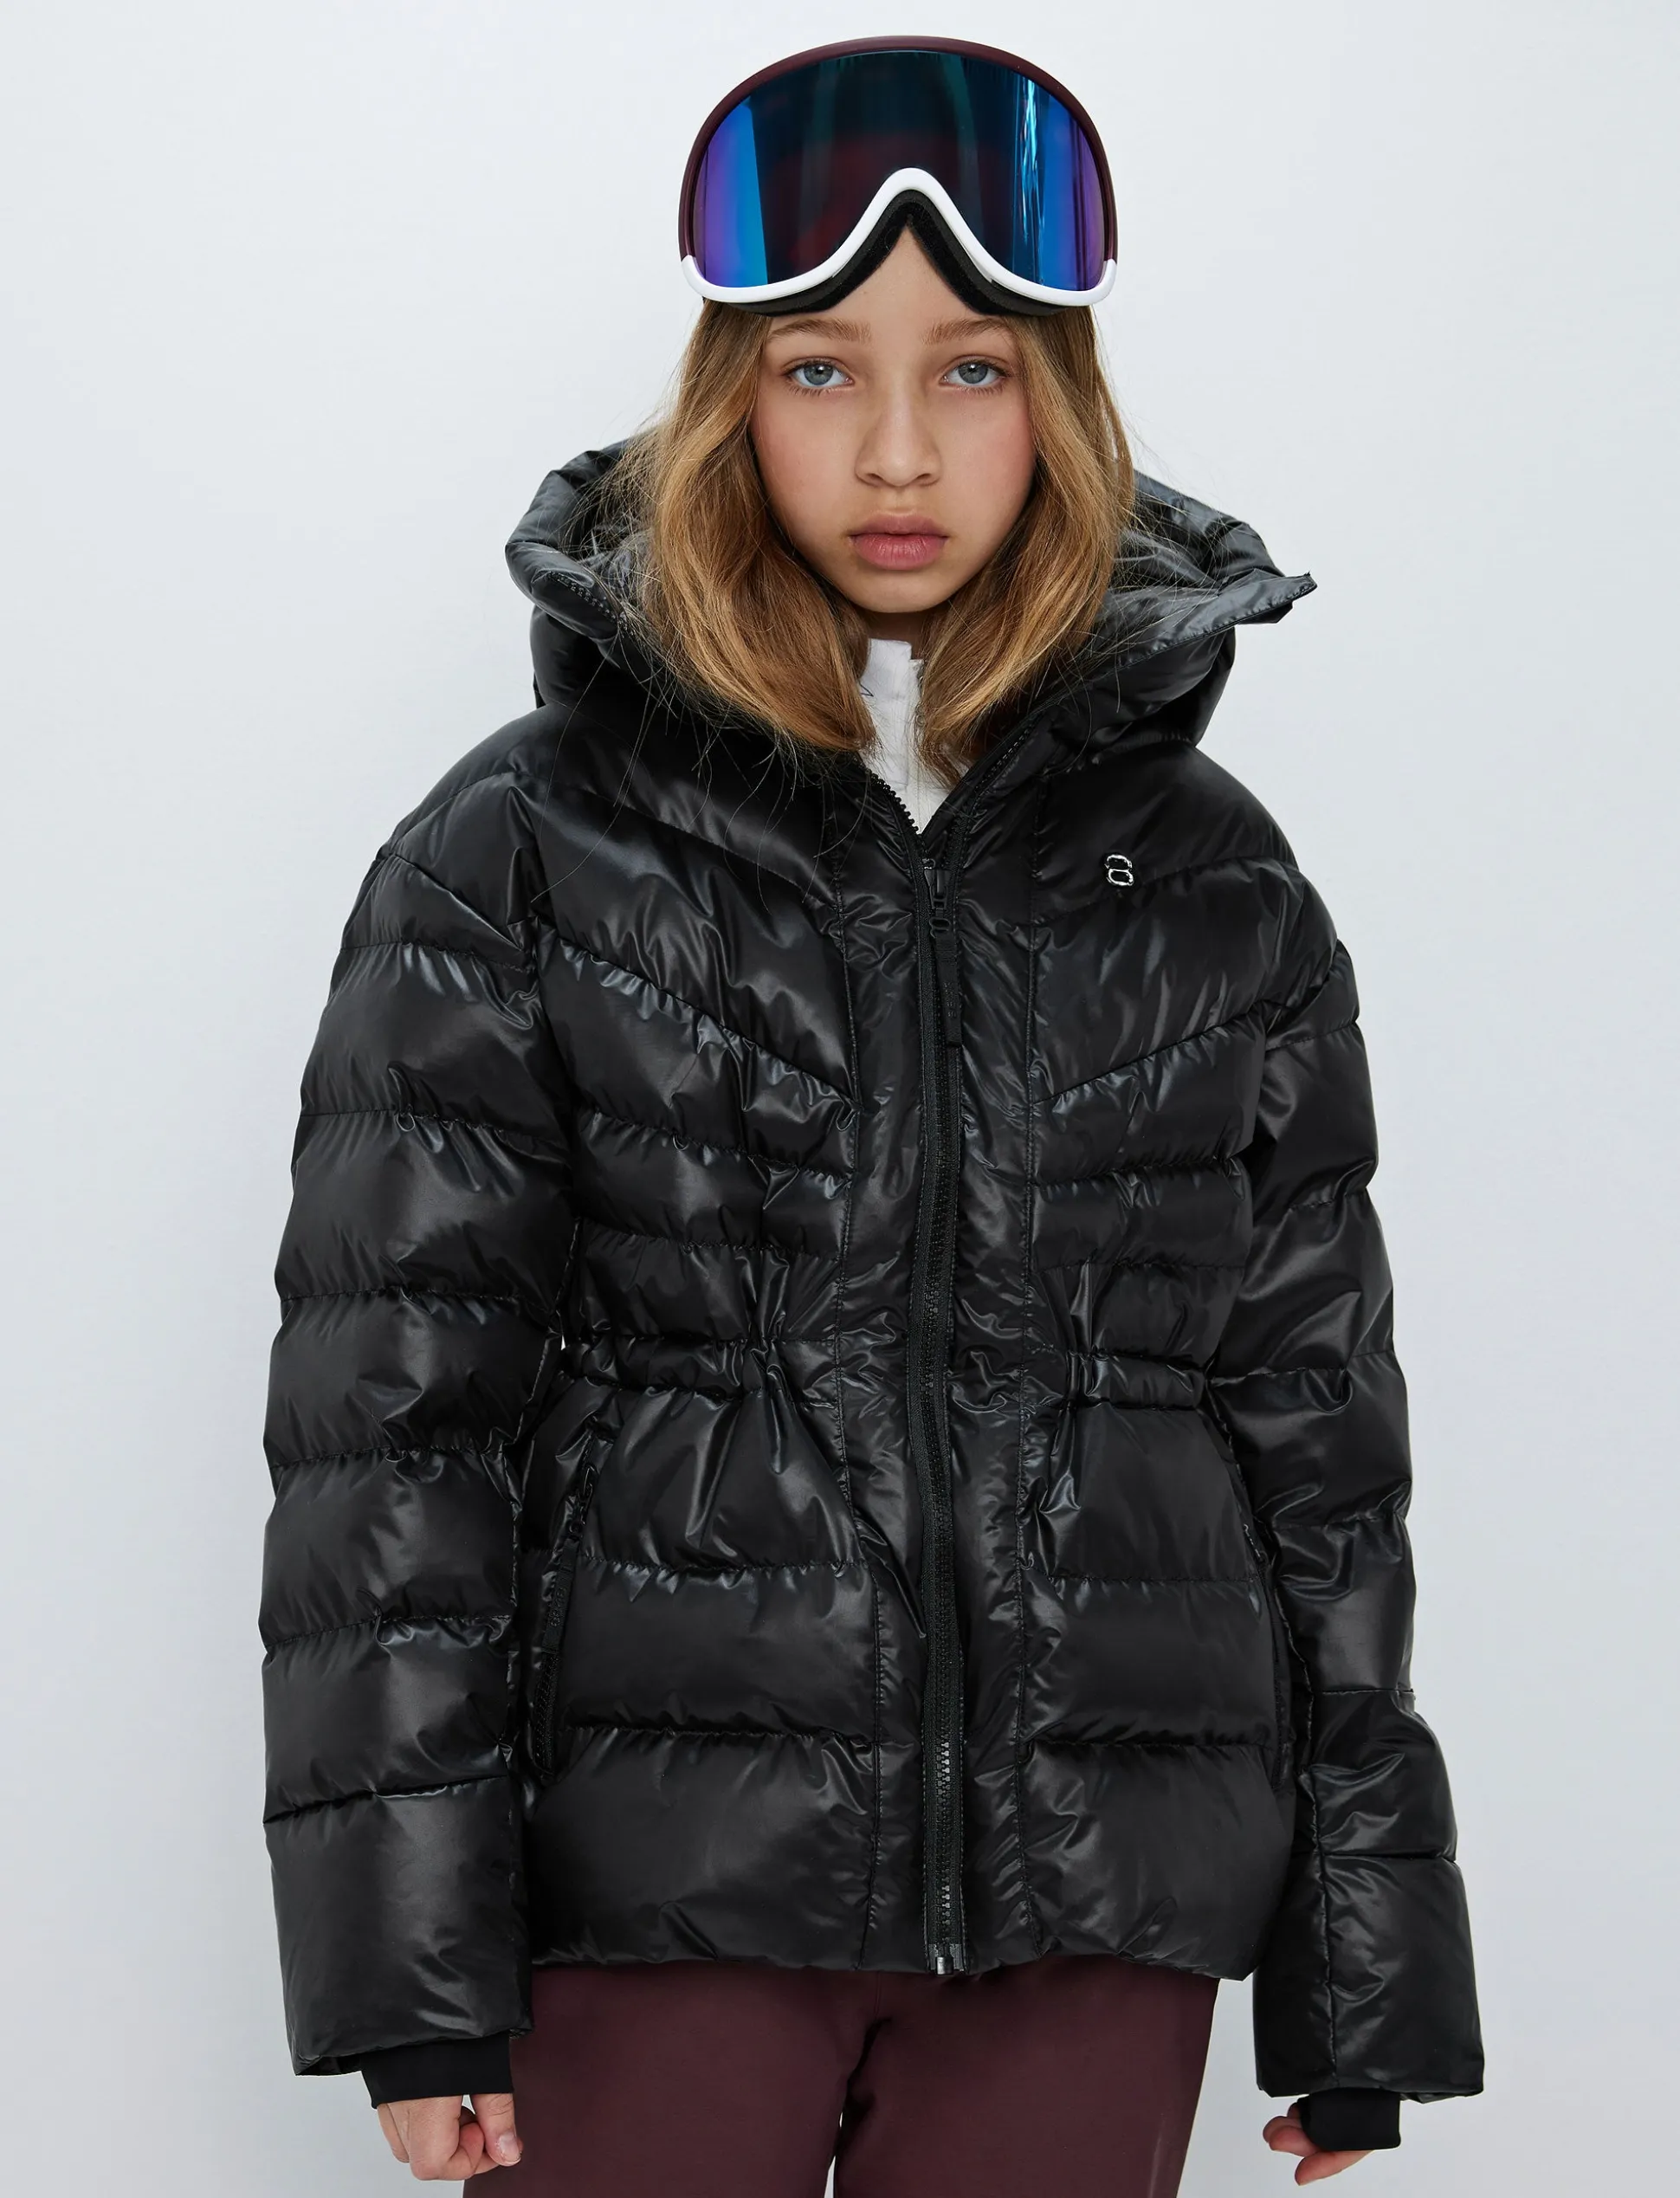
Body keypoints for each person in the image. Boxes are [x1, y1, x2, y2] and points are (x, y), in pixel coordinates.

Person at [259, 36, 1483, 2195]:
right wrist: (411, 1968)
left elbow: (1319, 1450)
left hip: (1096, 1900)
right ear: (727, 399)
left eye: (972, 371)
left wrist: (1360, 1972)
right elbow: (395, 1444)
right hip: (656, 1894)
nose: (898, 449)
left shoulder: (1215, 880)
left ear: (1060, 403)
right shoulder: (520, 853)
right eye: (820, 370)